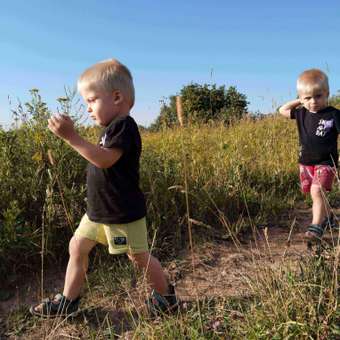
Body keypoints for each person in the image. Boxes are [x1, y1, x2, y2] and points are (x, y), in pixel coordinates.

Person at [30, 59, 177, 317]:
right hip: (98, 212)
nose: (87, 108)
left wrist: (70, 137)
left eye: (91, 100)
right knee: (77, 247)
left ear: (117, 97)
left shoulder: (124, 126)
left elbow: (105, 159)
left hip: (121, 214)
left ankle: (166, 298)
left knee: (139, 257)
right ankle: (68, 301)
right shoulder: (109, 129)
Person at [279, 69, 340, 240]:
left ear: (327, 94)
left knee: (317, 191)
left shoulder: (333, 114)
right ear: (301, 98)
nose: (313, 101)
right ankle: (329, 219)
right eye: (308, 98)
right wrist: (300, 100)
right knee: (317, 194)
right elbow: (282, 110)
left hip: (327, 162)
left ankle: (316, 227)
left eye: (318, 96)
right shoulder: (301, 113)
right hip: (306, 162)